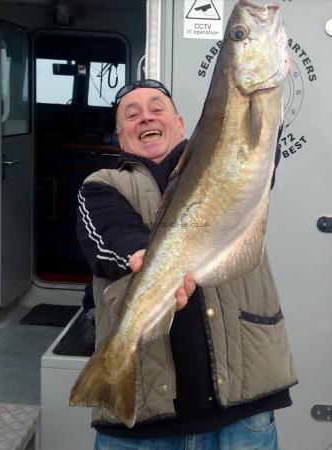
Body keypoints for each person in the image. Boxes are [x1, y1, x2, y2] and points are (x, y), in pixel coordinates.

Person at [76, 79, 297, 450]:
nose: (146, 116)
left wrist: (269, 87)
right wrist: (144, 260)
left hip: (242, 416)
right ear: (119, 134)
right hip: (143, 432)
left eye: (157, 108)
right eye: (132, 114)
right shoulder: (102, 185)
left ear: (180, 124)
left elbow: (259, 138)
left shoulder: (231, 166)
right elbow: (111, 236)